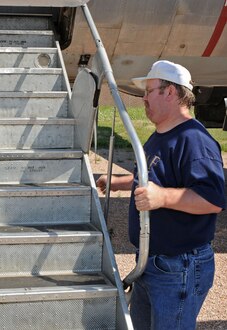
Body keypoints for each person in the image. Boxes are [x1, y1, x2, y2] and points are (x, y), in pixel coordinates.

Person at [96, 60, 226, 330]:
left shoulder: (194, 140)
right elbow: (156, 177)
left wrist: (162, 198)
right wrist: (118, 183)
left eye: (149, 90)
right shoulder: (160, 136)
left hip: (179, 268)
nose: (143, 98)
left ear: (170, 92)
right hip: (150, 262)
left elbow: (213, 199)